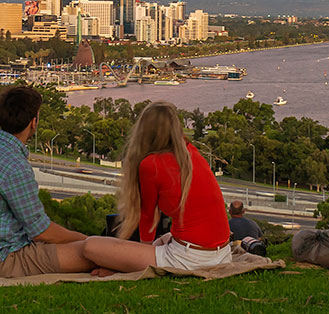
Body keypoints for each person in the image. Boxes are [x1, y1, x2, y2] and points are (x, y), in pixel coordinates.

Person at [0, 85, 94, 277]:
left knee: (87, 251)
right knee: (93, 254)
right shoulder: (14, 165)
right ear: (33, 122)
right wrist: (87, 240)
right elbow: (41, 232)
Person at [82, 102, 233, 273]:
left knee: (90, 246)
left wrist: (141, 257)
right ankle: (120, 265)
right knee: (163, 239)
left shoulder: (151, 164)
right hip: (221, 254)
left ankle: (121, 268)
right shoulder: (191, 153)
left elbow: (148, 217)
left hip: (189, 258)